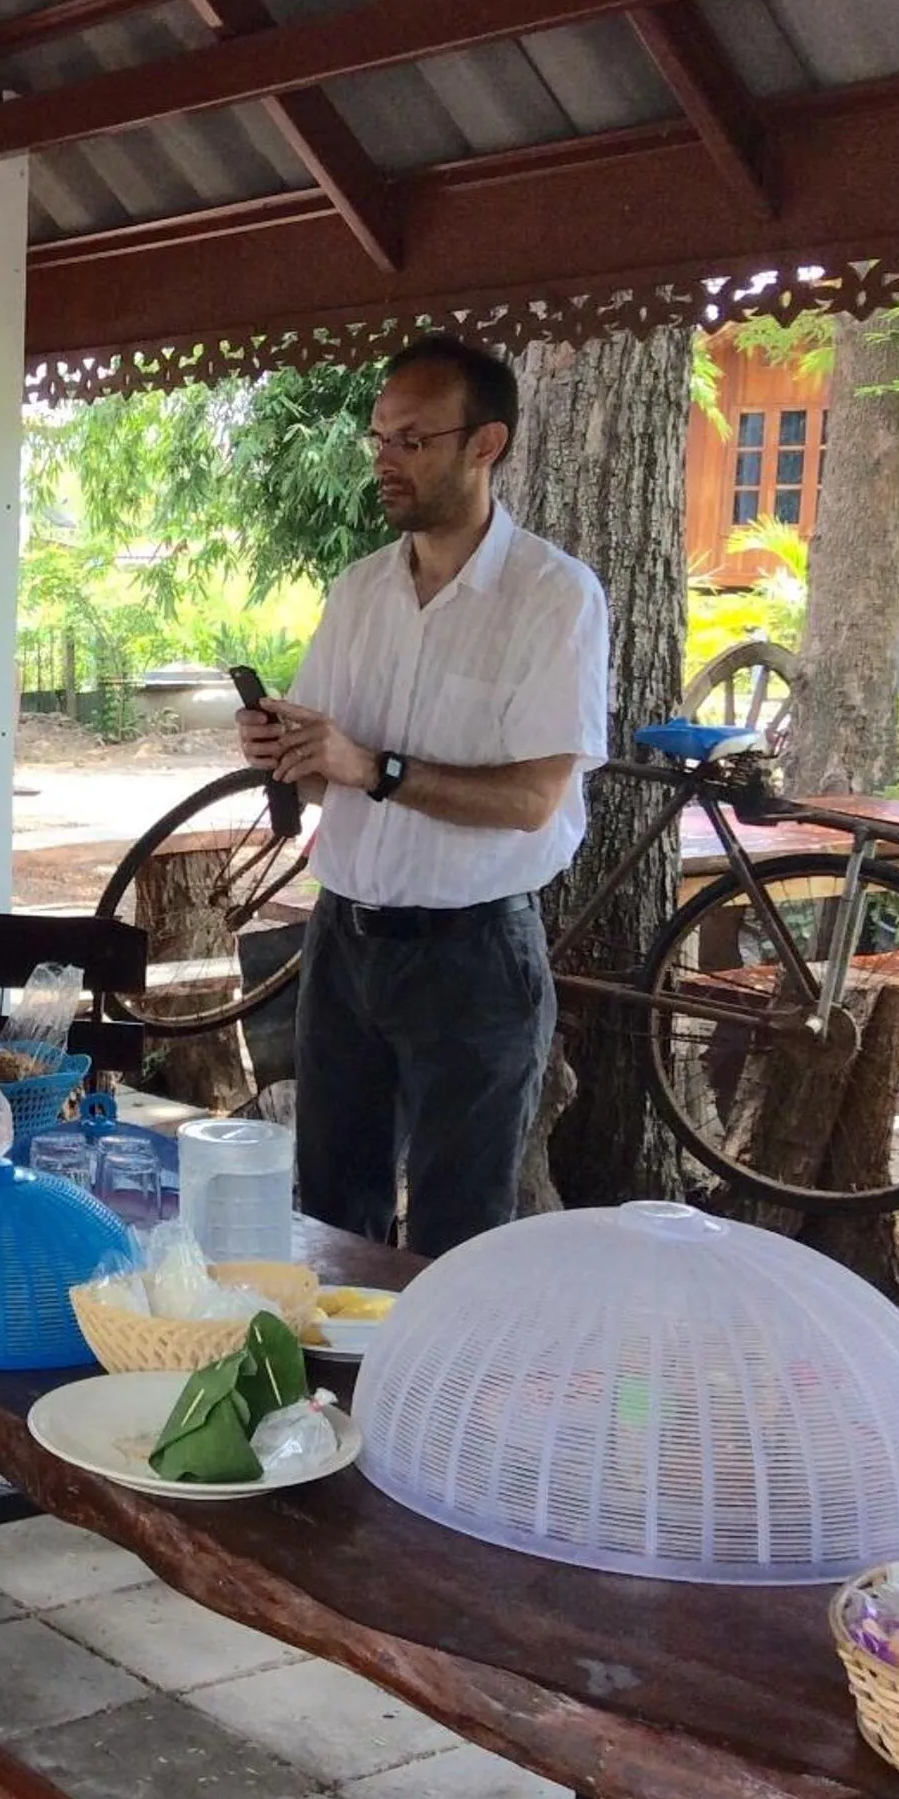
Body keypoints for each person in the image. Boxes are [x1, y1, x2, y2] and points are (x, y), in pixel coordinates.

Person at [237, 335, 609, 1259]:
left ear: (486, 444)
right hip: (343, 940)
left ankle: (442, 1365)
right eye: (379, 438)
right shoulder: (361, 590)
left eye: (412, 440)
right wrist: (289, 751)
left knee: (459, 1237)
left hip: (472, 955)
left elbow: (533, 798)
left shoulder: (553, 597)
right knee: (331, 1222)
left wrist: (376, 769)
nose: (386, 460)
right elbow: (328, 770)